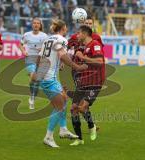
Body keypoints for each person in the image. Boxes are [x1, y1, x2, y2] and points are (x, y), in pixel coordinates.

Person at [36, 19, 88, 148]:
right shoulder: (62, 39)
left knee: (64, 99)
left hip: (45, 76)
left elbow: (39, 58)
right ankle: (48, 137)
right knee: (59, 106)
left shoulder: (47, 39)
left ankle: (63, 129)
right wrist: (77, 66)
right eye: (65, 27)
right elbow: (63, 55)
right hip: (49, 79)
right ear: (63, 28)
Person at [67, 16, 103, 145]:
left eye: (79, 33)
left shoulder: (95, 43)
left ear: (85, 33)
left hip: (94, 82)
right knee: (73, 109)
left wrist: (83, 57)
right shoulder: (82, 45)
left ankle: (92, 126)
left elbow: (99, 61)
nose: (77, 35)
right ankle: (79, 139)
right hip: (82, 80)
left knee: (82, 108)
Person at [19, 18, 48, 110]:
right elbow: (20, 44)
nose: (36, 25)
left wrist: (43, 50)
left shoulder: (44, 36)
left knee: (38, 80)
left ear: (40, 25)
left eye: (37, 23)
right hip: (30, 58)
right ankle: (32, 96)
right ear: (32, 25)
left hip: (41, 59)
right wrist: (24, 51)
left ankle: (32, 98)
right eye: (34, 23)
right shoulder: (27, 35)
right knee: (33, 77)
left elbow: (48, 48)